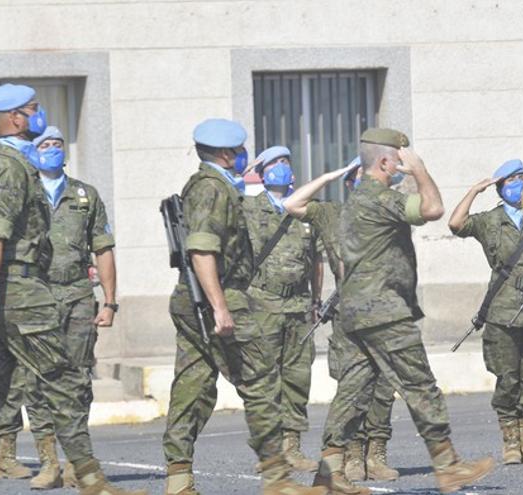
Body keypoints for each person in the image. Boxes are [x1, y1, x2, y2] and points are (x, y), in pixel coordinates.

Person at [289, 128, 495, 495]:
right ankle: (448, 466)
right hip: (383, 310)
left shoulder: (353, 203)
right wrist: (420, 171)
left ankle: (329, 474)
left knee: (353, 390)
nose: (402, 164)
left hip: (354, 313)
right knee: (420, 385)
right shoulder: (378, 198)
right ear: (386, 161)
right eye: (399, 159)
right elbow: (432, 209)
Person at [0, 83, 144, 494]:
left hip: (53, 292)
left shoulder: (70, 189)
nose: (41, 118)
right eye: (34, 109)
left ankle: (84, 474)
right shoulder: (9, 168)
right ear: (16, 118)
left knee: (62, 379)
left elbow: (102, 247)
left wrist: (109, 301)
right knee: (53, 379)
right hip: (20, 292)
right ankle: (80, 474)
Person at [161, 119, 323, 495]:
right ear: (225, 153)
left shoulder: (210, 186)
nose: (242, 156)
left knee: (194, 385)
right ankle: (276, 478)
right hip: (217, 295)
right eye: (238, 151)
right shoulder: (212, 189)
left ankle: (179, 480)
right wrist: (220, 306)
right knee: (262, 380)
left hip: (195, 296)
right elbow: (202, 249)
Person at [285, 158, 399, 483]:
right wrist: (327, 175)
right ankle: (350, 455)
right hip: (350, 318)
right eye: (358, 176)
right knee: (353, 388)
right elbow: (293, 203)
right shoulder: (331, 214)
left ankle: (376, 454)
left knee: (383, 387)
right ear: (349, 183)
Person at [447, 159, 523, 465]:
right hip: (501, 310)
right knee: (507, 378)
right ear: (500, 188)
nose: (518, 184)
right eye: (511, 180)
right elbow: (455, 224)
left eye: (522, 178)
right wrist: (474, 191)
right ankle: (510, 442)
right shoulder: (491, 220)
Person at [245, 145, 321, 473]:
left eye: (287, 162)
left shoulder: (306, 209)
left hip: (300, 305)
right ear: (261, 173)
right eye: (275, 163)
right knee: (264, 379)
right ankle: (270, 451)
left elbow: (316, 261)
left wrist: (316, 300)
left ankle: (292, 446)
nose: (283, 168)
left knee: (297, 378)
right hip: (262, 303)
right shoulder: (248, 209)